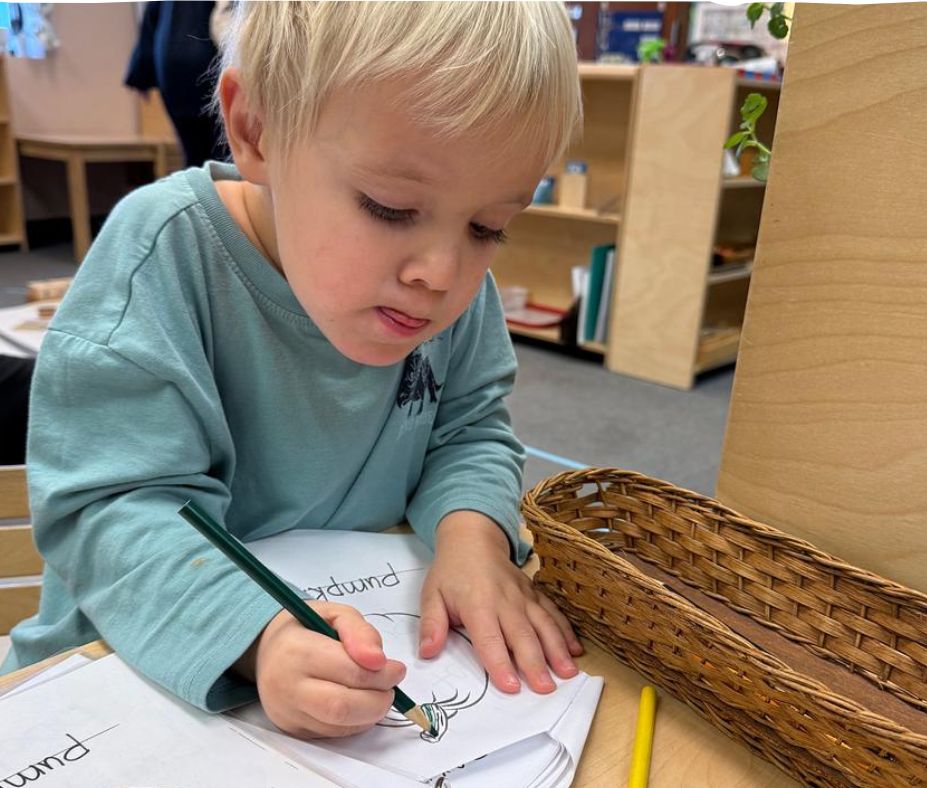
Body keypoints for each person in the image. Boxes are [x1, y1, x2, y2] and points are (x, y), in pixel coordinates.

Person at [3, 1, 583, 740]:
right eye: (390, 206)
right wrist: (258, 635)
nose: (441, 273)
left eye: (488, 226)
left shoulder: (450, 293)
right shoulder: (162, 259)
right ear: (256, 130)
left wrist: (472, 536)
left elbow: (468, 430)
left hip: (365, 656)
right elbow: (109, 512)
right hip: (117, 688)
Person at [125, 1, 230, 167]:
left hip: (170, 62)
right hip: (209, 57)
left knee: (195, 154)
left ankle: (201, 189)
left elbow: (151, 15)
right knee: (224, 154)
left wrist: (140, 75)